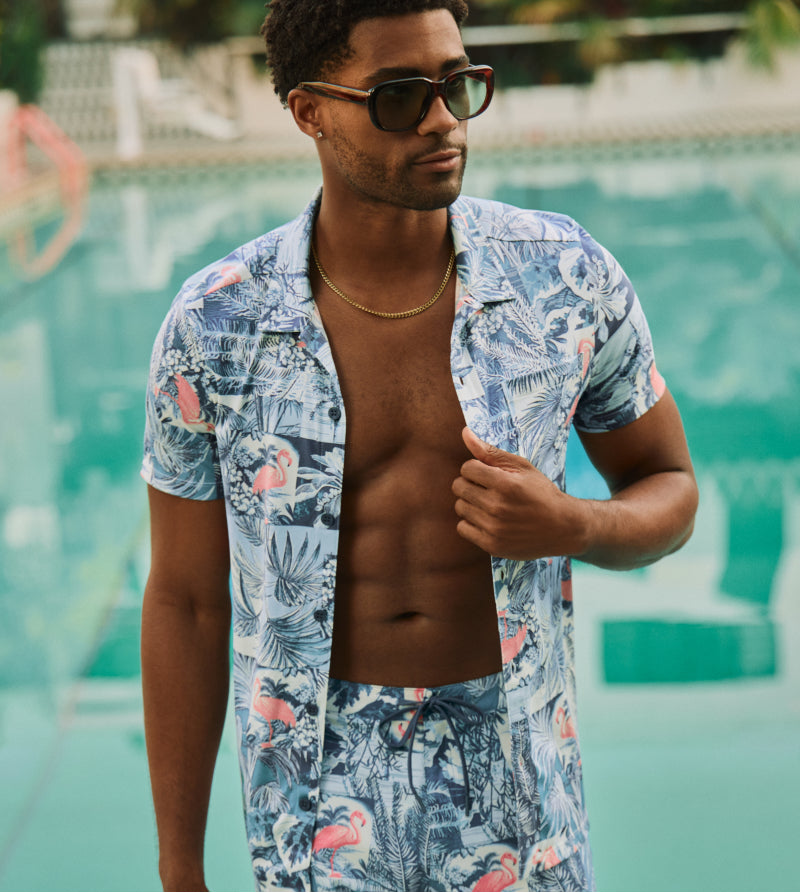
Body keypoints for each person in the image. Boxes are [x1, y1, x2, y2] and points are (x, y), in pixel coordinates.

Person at [140, 1, 698, 890]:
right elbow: (185, 602)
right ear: (310, 110)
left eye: (457, 84)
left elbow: (669, 487)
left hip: (520, 796)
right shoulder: (216, 324)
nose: (442, 118)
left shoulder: (563, 278)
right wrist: (179, 869)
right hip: (315, 810)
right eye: (400, 96)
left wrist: (573, 525)